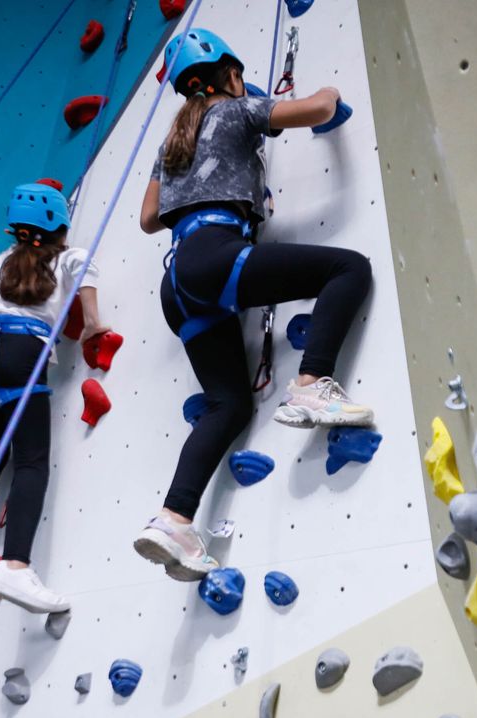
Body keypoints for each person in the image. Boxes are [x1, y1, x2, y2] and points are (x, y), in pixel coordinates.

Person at [133, 30, 374, 581]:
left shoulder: (172, 145)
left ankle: (173, 520)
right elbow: (316, 107)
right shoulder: (238, 110)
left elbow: (149, 219)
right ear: (231, 75)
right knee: (348, 268)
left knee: (228, 406)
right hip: (217, 255)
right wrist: (332, 93)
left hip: (177, 283)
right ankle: (313, 384)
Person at [0, 180, 108, 613]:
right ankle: (15, 566)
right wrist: (92, 324)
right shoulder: (70, 257)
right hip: (23, 352)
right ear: (60, 226)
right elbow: (86, 280)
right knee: (31, 460)